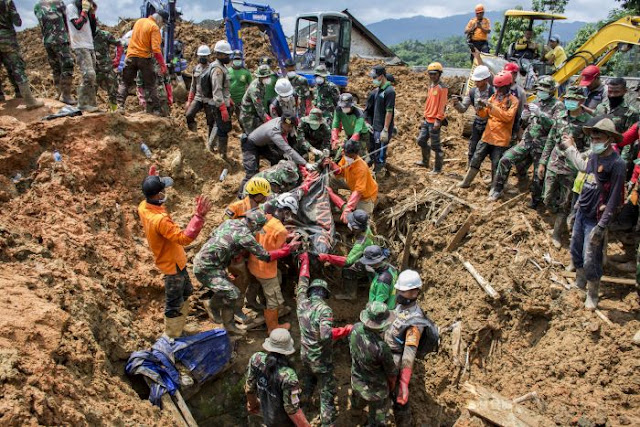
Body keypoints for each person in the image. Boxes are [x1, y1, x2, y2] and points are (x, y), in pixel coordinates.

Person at [193, 209, 297, 335]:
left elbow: (215, 235)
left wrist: (233, 251)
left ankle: (213, 306)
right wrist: (288, 249)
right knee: (233, 293)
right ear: (254, 225)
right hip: (206, 268)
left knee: (225, 287)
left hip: (208, 261)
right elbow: (265, 256)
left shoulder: (230, 223)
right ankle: (229, 326)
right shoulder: (245, 237)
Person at [138, 167, 212, 338]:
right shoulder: (160, 221)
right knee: (174, 302)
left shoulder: (144, 206)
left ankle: (180, 326)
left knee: (186, 292)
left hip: (176, 259)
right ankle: (172, 335)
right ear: (157, 195)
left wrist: (151, 180)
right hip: (172, 266)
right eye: (162, 190)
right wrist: (198, 217)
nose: (165, 192)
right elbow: (184, 238)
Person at [561, 118, 626, 310]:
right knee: (575, 249)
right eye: (593, 137)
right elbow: (585, 185)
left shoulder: (617, 164)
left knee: (592, 256)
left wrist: (602, 226)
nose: (595, 140)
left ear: (609, 138)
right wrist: (575, 210)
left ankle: (593, 293)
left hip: (596, 218)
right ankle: (580, 281)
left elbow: (614, 198)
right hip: (583, 212)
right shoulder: (594, 157)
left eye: (599, 137)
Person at [295, 252, 353, 427]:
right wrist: (345, 330)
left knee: (307, 381)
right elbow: (326, 335)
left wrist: (305, 261)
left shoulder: (301, 303)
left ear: (311, 291)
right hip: (321, 359)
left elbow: (302, 281)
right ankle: (327, 423)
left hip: (305, 355)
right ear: (324, 294)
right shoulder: (324, 310)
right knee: (326, 394)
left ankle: (300, 413)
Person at [489, 76, 564, 207]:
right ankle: (498, 189)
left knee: (538, 175)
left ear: (552, 90)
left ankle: (535, 200)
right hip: (527, 141)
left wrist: (541, 114)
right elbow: (527, 123)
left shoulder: (558, 106)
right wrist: (524, 118)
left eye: (544, 90)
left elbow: (556, 126)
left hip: (542, 146)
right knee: (505, 159)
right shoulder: (537, 101)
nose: (541, 92)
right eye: (539, 89)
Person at [539, 86, 592, 248]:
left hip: (571, 169)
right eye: (568, 99)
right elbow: (550, 140)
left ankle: (557, 232)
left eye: (574, 99)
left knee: (565, 202)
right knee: (547, 198)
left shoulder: (587, 123)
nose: (570, 102)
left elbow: (591, 149)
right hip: (554, 164)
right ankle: (557, 223)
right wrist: (543, 162)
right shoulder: (560, 117)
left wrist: (575, 150)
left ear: (581, 101)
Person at [385, 270, 437, 427]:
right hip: (387, 353)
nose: (399, 293)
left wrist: (404, 383)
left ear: (415, 292)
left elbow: (409, 354)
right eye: (399, 290)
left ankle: (403, 422)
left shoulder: (415, 322)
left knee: (399, 397)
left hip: (396, 360)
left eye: (403, 291)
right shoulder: (402, 306)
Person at [247, 193, 298, 333]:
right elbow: (276, 253)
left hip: (253, 264)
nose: (290, 217)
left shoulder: (266, 218)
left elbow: (266, 238)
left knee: (257, 283)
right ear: (286, 211)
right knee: (274, 300)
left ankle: (251, 302)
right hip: (266, 270)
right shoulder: (281, 230)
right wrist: (290, 246)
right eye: (290, 214)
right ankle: (273, 327)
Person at [459, 71, 519, 189]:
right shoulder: (493, 97)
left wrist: (492, 107)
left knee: (496, 163)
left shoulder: (513, 101)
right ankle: (466, 181)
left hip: (501, 139)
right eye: (496, 87)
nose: (498, 90)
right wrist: (480, 108)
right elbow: (483, 115)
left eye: (500, 87)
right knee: (476, 158)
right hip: (488, 135)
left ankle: (495, 186)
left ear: (507, 86)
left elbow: (508, 117)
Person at [245, 328, 311, 426]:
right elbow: (292, 409)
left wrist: (252, 404)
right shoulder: (288, 376)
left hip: (267, 418)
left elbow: (249, 388)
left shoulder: (256, 359)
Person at [240, 113, 314, 196]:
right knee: (251, 173)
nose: (289, 129)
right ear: (282, 123)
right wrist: (305, 163)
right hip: (251, 145)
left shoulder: (281, 120)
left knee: (277, 159)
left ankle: (278, 182)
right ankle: (242, 195)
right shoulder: (274, 131)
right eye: (288, 127)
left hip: (264, 144)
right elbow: (288, 149)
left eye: (291, 127)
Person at [348, 302, 397, 427]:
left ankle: (355, 412)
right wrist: (391, 387)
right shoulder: (381, 347)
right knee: (378, 420)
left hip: (357, 381)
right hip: (376, 391)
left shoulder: (355, 329)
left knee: (357, 400)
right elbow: (391, 373)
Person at [117, 10, 168, 116]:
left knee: (125, 83)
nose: (162, 25)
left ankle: (119, 106)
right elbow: (156, 49)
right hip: (144, 58)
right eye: (163, 22)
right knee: (151, 85)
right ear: (159, 19)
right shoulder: (154, 27)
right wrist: (162, 65)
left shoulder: (139, 22)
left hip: (130, 56)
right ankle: (156, 110)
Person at [317, 209, 376, 300]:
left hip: (370, 264)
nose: (349, 224)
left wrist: (327, 257)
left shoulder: (361, 243)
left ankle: (350, 295)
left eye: (351, 223)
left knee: (348, 268)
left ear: (356, 228)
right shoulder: (366, 227)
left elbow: (347, 261)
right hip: (370, 255)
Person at [0, 0, 44, 109]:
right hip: (6, 39)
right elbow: (17, 22)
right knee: (16, 67)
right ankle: (29, 101)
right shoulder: (7, 2)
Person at [34, 0, 76, 105]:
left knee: (56, 67)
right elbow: (66, 21)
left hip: (47, 40)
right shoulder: (59, 3)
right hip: (60, 39)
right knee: (67, 65)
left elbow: (42, 23)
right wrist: (68, 37)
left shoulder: (37, 6)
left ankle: (59, 93)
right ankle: (65, 95)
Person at [453, 65, 495, 165]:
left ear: (485, 80)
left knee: (492, 151)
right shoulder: (472, 92)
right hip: (477, 124)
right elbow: (463, 109)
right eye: (476, 80)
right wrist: (456, 103)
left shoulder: (493, 92)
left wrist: (486, 105)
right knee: (473, 148)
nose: (476, 83)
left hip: (490, 125)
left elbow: (497, 110)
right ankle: (470, 169)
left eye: (479, 81)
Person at [327, 139, 378, 219]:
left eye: (351, 156)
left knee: (362, 219)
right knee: (331, 179)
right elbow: (341, 171)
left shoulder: (361, 168)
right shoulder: (346, 157)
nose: (348, 158)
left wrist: (348, 209)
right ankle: (334, 205)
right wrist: (332, 165)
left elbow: (358, 192)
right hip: (351, 182)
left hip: (365, 195)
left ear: (356, 154)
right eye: (347, 155)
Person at [66, 0, 98, 111]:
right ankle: (83, 103)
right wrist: (84, 11)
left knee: (93, 77)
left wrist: (92, 13)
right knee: (89, 74)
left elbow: (94, 29)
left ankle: (92, 104)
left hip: (89, 45)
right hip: (80, 45)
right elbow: (77, 25)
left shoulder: (85, 10)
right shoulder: (72, 8)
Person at [416, 62, 448, 173]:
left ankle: (437, 169)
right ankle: (425, 161)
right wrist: (424, 116)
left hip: (435, 121)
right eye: (430, 74)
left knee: (436, 146)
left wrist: (438, 119)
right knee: (421, 140)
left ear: (439, 74)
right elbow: (429, 103)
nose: (432, 76)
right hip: (427, 119)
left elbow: (442, 105)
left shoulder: (442, 87)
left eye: (434, 74)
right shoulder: (431, 86)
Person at [205, 40, 233, 158]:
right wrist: (223, 108)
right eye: (226, 55)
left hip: (221, 102)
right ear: (219, 55)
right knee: (223, 129)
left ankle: (210, 147)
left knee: (218, 125)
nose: (228, 57)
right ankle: (222, 154)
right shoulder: (217, 70)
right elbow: (217, 90)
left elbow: (224, 89)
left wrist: (229, 99)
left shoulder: (220, 67)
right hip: (218, 104)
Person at [368, 65, 396, 176]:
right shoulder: (378, 90)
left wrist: (385, 129)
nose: (373, 79)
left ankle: (380, 173)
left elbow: (389, 111)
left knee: (381, 152)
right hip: (376, 125)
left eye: (375, 77)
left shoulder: (390, 91)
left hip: (382, 128)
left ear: (382, 76)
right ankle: (376, 170)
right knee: (374, 149)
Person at [332, 93, 370, 159]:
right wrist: (335, 139)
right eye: (342, 106)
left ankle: (365, 163)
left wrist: (346, 145)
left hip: (361, 135)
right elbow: (335, 126)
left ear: (352, 105)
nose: (344, 108)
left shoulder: (359, 114)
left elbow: (356, 134)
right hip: (349, 134)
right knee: (339, 155)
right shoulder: (338, 110)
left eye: (346, 107)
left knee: (358, 155)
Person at [239, 64, 274, 135]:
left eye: (268, 76)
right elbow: (260, 109)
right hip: (248, 116)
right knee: (251, 137)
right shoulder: (255, 89)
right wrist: (269, 120)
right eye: (266, 77)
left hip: (255, 114)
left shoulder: (262, 84)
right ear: (260, 77)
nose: (268, 78)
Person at [185, 45, 212, 132]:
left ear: (208, 56)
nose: (202, 58)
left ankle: (210, 143)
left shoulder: (212, 69)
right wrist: (189, 101)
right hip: (198, 98)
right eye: (201, 56)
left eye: (204, 56)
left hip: (209, 99)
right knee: (189, 115)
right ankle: (193, 133)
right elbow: (193, 86)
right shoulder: (196, 69)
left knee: (211, 122)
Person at [93, 28, 120, 110]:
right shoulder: (85, 36)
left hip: (107, 67)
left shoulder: (105, 34)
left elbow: (119, 44)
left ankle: (114, 111)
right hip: (94, 69)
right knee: (91, 90)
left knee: (113, 91)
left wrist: (118, 59)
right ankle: (91, 109)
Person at [504, 62, 527, 141]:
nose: (510, 76)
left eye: (513, 74)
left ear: (515, 75)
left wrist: (520, 130)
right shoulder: (498, 87)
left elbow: (522, 113)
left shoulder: (520, 92)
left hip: (511, 128)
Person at [228, 49, 251, 119]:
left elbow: (251, 86)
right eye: (235, 59)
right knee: (226, 122)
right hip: (229, 101)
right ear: (232, 60)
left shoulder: (246, 72)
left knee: (243, 120)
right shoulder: (227, 71)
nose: (237, 61)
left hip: (241, 102)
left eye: (239, 59)